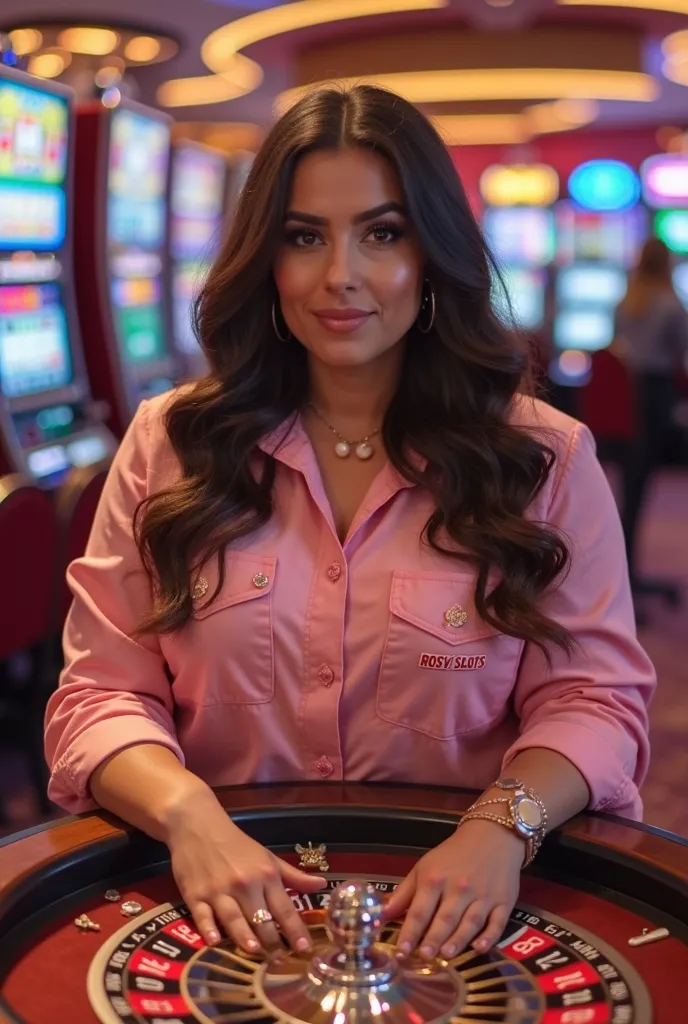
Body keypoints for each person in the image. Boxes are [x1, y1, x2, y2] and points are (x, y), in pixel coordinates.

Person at [45, 85, 655, 966]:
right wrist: (190, 818)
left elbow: (594, 700)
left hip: (455, 905)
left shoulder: (546, 459)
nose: (341, 275)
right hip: (217, 896)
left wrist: (501, 827)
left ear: (433, 252)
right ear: (266, 260)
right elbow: (100, 694)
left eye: (382, 232)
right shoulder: (168, 443)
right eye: (303, 237)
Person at [613, 237, 688, 595]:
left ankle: (625, 566)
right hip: (655, 393)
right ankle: (628, 573)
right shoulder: (671, 303)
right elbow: (681, 355)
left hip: (626, 392)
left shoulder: (628, 298)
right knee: (639, 485)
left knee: (631, 482)